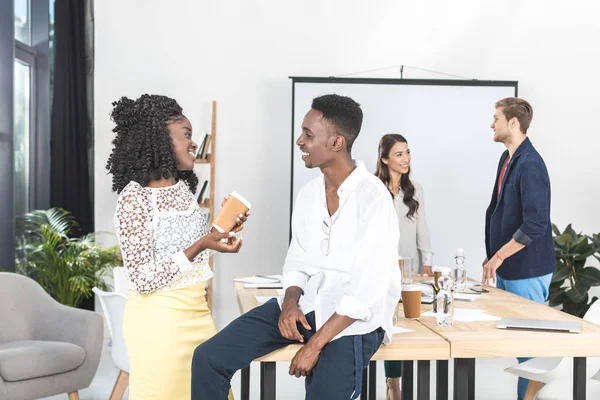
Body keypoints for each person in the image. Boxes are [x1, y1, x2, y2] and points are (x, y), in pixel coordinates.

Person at [191, 94, 400, 399]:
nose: (300, 141)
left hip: (351, 321)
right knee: (208, 358)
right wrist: (289, 303)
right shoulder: (308, 195)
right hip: (307, 305)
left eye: (308, 135)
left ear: (337, 143)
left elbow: (367, 291)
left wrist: (315, 345)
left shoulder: (373, 198)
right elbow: (297, 262)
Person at [107, 94, 247, 400]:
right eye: (186, 135)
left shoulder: (183, 190)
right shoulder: (134, 199)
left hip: (197, 314)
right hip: (158, 323)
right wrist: (200, 245)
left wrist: (222, 234)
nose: (194, 143)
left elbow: (193, 256)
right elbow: (143, 279)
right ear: (159, 140)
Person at [483, 97, 555, 400]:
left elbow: (535, 224)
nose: (492, 124)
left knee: (530, 352)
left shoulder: (531, 163)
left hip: (527, 271)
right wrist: (493, 257)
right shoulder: (508, 158)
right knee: (521, 349)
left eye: (496, 119)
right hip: (510, 268)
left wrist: (498, 256)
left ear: (513, 123)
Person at [375, 133, 433, 400]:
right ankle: (392, 381)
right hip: (379, 267)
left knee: (408, 325)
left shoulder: (415, 189)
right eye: (399, 154)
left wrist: (428, 262)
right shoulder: (373, 188)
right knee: (386, 321)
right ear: (385, 158)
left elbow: (422, 228)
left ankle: (395, 381)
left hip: (409, 267)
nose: (406, 158)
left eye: (407, 152)